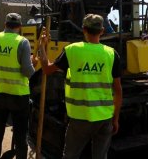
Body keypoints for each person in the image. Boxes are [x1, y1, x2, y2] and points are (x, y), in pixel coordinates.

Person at [39, 14, 123, 159]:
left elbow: (47, 69)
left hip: (79, 118)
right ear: (102, 31)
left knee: (70, 156)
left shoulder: (72, 50)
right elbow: (118, 91)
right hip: (104, 118)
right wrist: (115, 118)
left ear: (83, 29)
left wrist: (41, 46)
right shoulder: (112, 54)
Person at [0, 13, 37, 159]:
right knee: (20, 135)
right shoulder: (23, 42)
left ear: (5, 24)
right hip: (18, 95)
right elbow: (27, 71)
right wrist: (34, 64)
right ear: (20, 26)